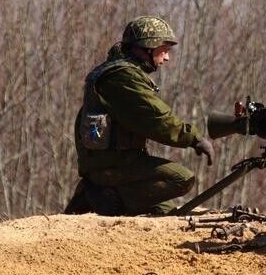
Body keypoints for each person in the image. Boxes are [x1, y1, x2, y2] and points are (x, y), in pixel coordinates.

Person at [64, 16, 214, 216]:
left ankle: (99, 193)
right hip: (112, 165)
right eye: (164, 50)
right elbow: (156, 119)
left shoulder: (118, 72)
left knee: (166, 212)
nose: (167, 58)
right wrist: (194, 139)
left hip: (114, 163)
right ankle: (102, 197)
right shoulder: (123, 77)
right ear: (148, 47)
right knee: (181, 178)